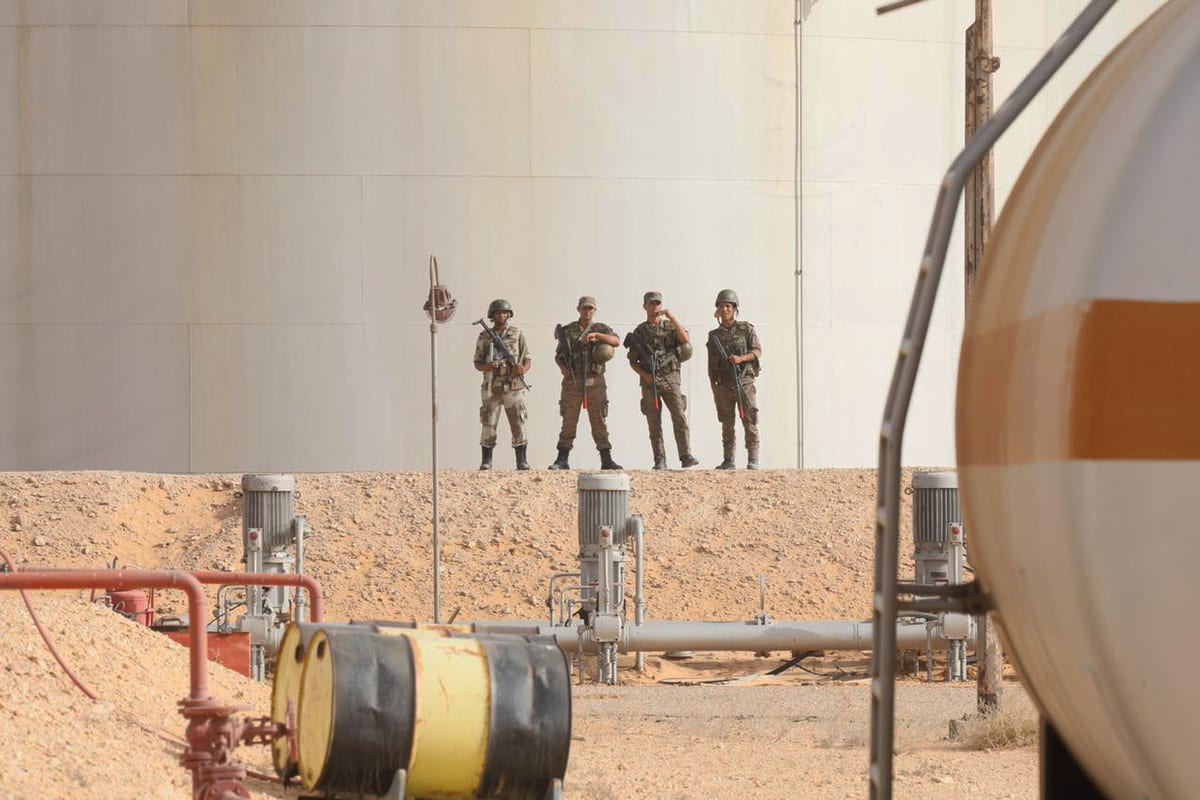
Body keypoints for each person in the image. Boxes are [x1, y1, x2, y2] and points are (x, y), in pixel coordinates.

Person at [625, 291, 699, 470]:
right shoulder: (640, 332)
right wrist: (646, 376)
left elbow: (685, 339)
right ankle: (660, 460)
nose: (655, 307)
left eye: (658, 303)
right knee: (654, 421)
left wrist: (672, 317)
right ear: (645, 306)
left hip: (671, 378)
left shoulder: (669, 327)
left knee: (679, 417)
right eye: (651, 303)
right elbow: (632, 361)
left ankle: (685, 454)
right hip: (650, 382)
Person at [548, 296, 624, 471]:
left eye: (590, 308)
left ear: (595, 310)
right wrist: (562, 368)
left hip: (595, 380)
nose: (587, 311)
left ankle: (606, 459)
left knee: (598, 420)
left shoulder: (601, 328)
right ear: (578, 309)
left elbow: (616, 341)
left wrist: (597, 335)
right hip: (572, 381)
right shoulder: (568, 330)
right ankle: (562, 459)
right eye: (584, 308)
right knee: (569, 420)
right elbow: (558, 355)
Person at [473, 299, 532, 470]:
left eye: (504, 312)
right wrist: (488, 367)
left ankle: (521, 461)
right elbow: (477, 362)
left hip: (513, 386)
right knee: (488, 424)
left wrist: (522, 369)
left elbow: (527, 358)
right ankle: (486, 460)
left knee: (518, 423)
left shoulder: (517, 333)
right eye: (498, 313)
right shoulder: (484, 336)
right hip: (492, 386)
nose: (501, 315)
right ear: (492, 316)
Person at [706, 289, 762, 469]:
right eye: (721, 306)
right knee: (727, 423)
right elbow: (711, 365)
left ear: (734, 308)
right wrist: (714, 388)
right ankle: (728, 460)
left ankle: (753, 458)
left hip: (744, 382)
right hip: (723, 384)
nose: (724, 310)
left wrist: (741, 359)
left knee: (749, 420)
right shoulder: (714, 336)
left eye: (728, 306)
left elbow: (757, 351)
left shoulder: (746, 329)